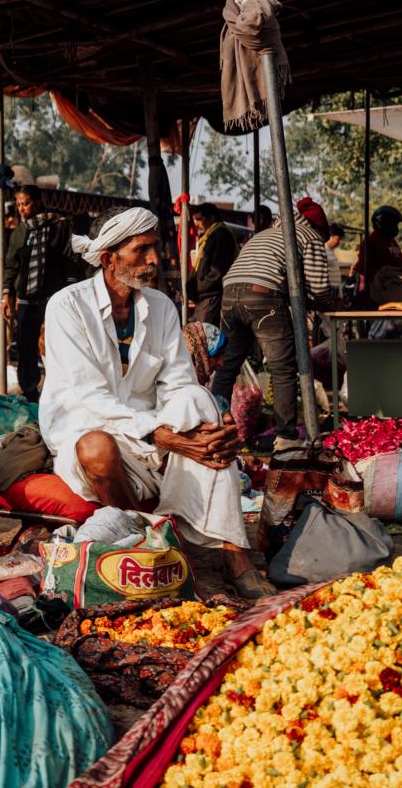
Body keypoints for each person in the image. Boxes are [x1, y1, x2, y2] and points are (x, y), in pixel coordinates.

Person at [39, 207, 275, 600]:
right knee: (97, 447)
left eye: (155, 248)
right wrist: (168, 437)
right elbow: (90, 397)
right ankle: (149, 538)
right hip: (88, 432)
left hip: (151, 435)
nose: (153, 260)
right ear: (108, 258)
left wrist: (206, 430)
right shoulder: (67, 306)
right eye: (141, 250)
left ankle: (236, 555)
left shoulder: (160, 306)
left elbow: (179, 382)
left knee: (198, 399)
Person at [210, 198, 338, 444]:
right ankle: (286, 438)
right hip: (263, 297)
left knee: (226, 367)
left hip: (230, 293)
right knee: (283, 370)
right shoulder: (309, 237)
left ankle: (215, 429)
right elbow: (320, 290)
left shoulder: (267, 233)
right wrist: (330, 305)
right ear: (321, 230)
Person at [2, 185, 72, 401]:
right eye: (19, 204)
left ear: (38, 202)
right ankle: (30, 389)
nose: (22, 209)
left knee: (57, 343)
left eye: (26, 203)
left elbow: (69, 258)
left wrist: (70, 289)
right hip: (26, 298)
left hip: (53, 295)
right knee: (26, 345)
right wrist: (6, 294)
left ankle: (61, 389)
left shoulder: (60, 226)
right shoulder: (19, 233)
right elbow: (11, 265)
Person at [188, 203, 238, 326]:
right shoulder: (210, 235)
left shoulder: (221, 235)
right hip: (206, 296)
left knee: (206, 336)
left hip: (212, 296)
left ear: (211, 218)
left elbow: (218, 271)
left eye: (199, 219)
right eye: (195, 219)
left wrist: (199, 286)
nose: (197, 223)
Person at [352, 205, 402, 294]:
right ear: (385, 224)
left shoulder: (392, 242)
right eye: (394, 224)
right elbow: (364, 269)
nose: (396, 228)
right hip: (377, 291)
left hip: (394, 287)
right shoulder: (370, 242)